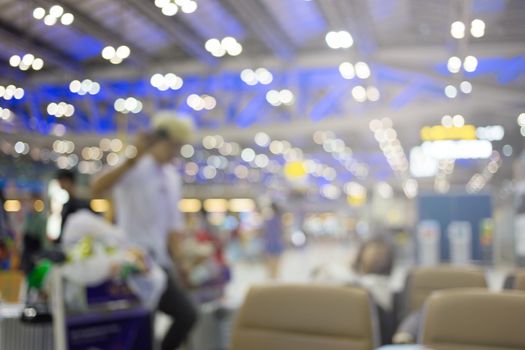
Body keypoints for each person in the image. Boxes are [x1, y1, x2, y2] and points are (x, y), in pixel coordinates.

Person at [91, 113, 197, 350]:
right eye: (174, 146)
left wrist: (181, 265)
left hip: (159, 261)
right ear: (159, 141)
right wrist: (132, 158)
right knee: (143, 322)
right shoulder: (133, 166)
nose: (176, 152)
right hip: (132, 260)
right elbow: (97, 188)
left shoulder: (171, 177)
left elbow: (172, 227)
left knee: (186, 315)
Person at [55, 169, 91, 242]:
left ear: (69, 181)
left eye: (62, 181)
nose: (60, 184)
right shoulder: (67, 204)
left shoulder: (82, 204)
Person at [21, 192, 47, 274]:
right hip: (27, 251)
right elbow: (24, 232)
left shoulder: (41, 218)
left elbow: (42, 236)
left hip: (37, 249)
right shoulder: (27, 217)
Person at [263, 202, 285, 279]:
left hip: (271, 245)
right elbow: (281, 233)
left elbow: (267, 234)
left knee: (271, 263)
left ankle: (272, 277)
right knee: (276, 264)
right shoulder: (279, 220)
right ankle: (274, 277)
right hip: (277, 244)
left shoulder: (270, 221)